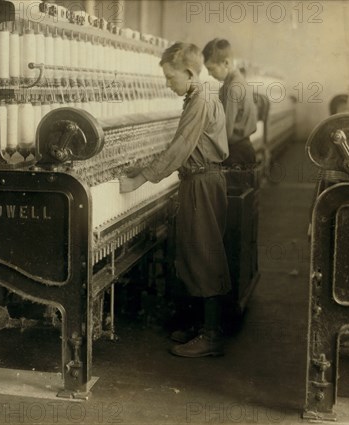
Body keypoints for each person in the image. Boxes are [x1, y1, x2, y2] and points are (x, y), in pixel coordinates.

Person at [119, 42, 231, 357]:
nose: (168, 84)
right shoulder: (201, 94)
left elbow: (180, 147)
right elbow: (182, 147)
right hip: (201, 179)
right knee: (196, 251)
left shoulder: (200, 100)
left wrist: (140, 179)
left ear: (190, 72)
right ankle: (201, 327)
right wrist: (144, 165)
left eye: (171, 77)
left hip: (202, 182)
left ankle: (211, 336)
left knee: (205, 254)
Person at [202, 38, 257, 170]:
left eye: (211, 68)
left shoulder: (232, 88)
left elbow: (225, 130)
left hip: (235, 154)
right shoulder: (238, 80)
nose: (209, 74)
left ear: (226, 63)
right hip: (244, 150)